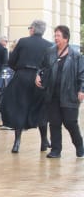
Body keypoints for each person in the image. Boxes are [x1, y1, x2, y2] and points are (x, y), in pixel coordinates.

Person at [0, 19, 52, 153]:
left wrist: (20, 69)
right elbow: (50, 66)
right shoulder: (49, 45)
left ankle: (17, 142)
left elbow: (11, 61)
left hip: (22, 77)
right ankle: (44, 141)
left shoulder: (23, 41)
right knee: (40, 109)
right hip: (39, 79)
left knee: (19, 108)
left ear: (32, 29)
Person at [36, 25, 84, 158]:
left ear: (66, 38)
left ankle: (79, 146)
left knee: (70, 122)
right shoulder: (50, 52)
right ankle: (56, 150)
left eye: (58, 36)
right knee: (54, 122)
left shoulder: (76, 55)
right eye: (55, 35)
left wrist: (82, 90)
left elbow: (82, 75)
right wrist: (38, 75)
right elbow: (41, 67)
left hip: (69, 94)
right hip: (52, 94)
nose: (55, 38)